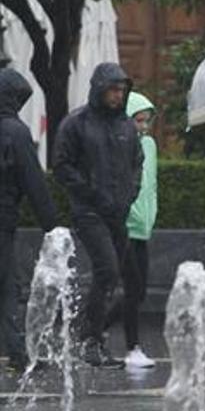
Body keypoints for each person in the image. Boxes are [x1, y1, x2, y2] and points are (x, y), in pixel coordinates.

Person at [53, 62, 143, 368]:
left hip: (118, 212)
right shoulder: (76, 123)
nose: (118, 95)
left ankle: (86, 334)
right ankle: (90, 340)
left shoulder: (127, 126)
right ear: (99, 89)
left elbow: (137, 162)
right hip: (88, 211)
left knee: (117, 277)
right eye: (113, 89)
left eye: (122, 90)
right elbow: (62, 166)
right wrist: (91, 194)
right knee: (107, 270)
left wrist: (131, 194)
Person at [0, 68, 57, 373]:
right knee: (8, 286)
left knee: (8, 285)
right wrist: (52, 224)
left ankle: (19, 352)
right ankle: (19, 353)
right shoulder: (15, 131)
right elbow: (34, 182)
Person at [103, 92, 157, 368]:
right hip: (123, 227)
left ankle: (94, 329)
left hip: (142, 229)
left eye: (146, 120)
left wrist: (151, 216)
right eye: (138, 120)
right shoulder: (117, 145)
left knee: (139, 291)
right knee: (133, 289)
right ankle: (132, 347)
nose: (144, 126)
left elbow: (152, 186)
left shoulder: (149, 145)